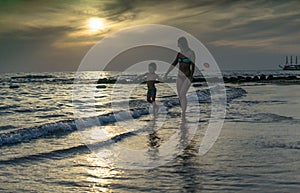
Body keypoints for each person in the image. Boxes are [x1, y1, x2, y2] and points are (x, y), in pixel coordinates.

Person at [164, 37, 195, 118]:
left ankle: (184, 113)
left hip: (187, 76)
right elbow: (173, 64)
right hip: (179, 77)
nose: (178, 45)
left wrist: (190, 77)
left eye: (179, 43)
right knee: (180, 95)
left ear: (183, 43)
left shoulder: (191, 53)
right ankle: (183, 111)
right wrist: (166, 73)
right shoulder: (179, 54)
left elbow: (193, 66)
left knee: (182, 94)